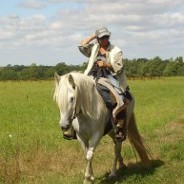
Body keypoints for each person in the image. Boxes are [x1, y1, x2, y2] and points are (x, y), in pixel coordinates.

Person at [78, 26, 131, 141]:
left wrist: (106, 64)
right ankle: (71, 125)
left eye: (106, 37)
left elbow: (119, 68)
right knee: (76, 93)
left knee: (120, 98)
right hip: (92, 75)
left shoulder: (116, 50)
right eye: (102, 38)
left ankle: (120, 128)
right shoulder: (94, 47)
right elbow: (81, 46)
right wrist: (93, 36)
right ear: (97, 39)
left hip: (111, 76)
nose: (105, 40)